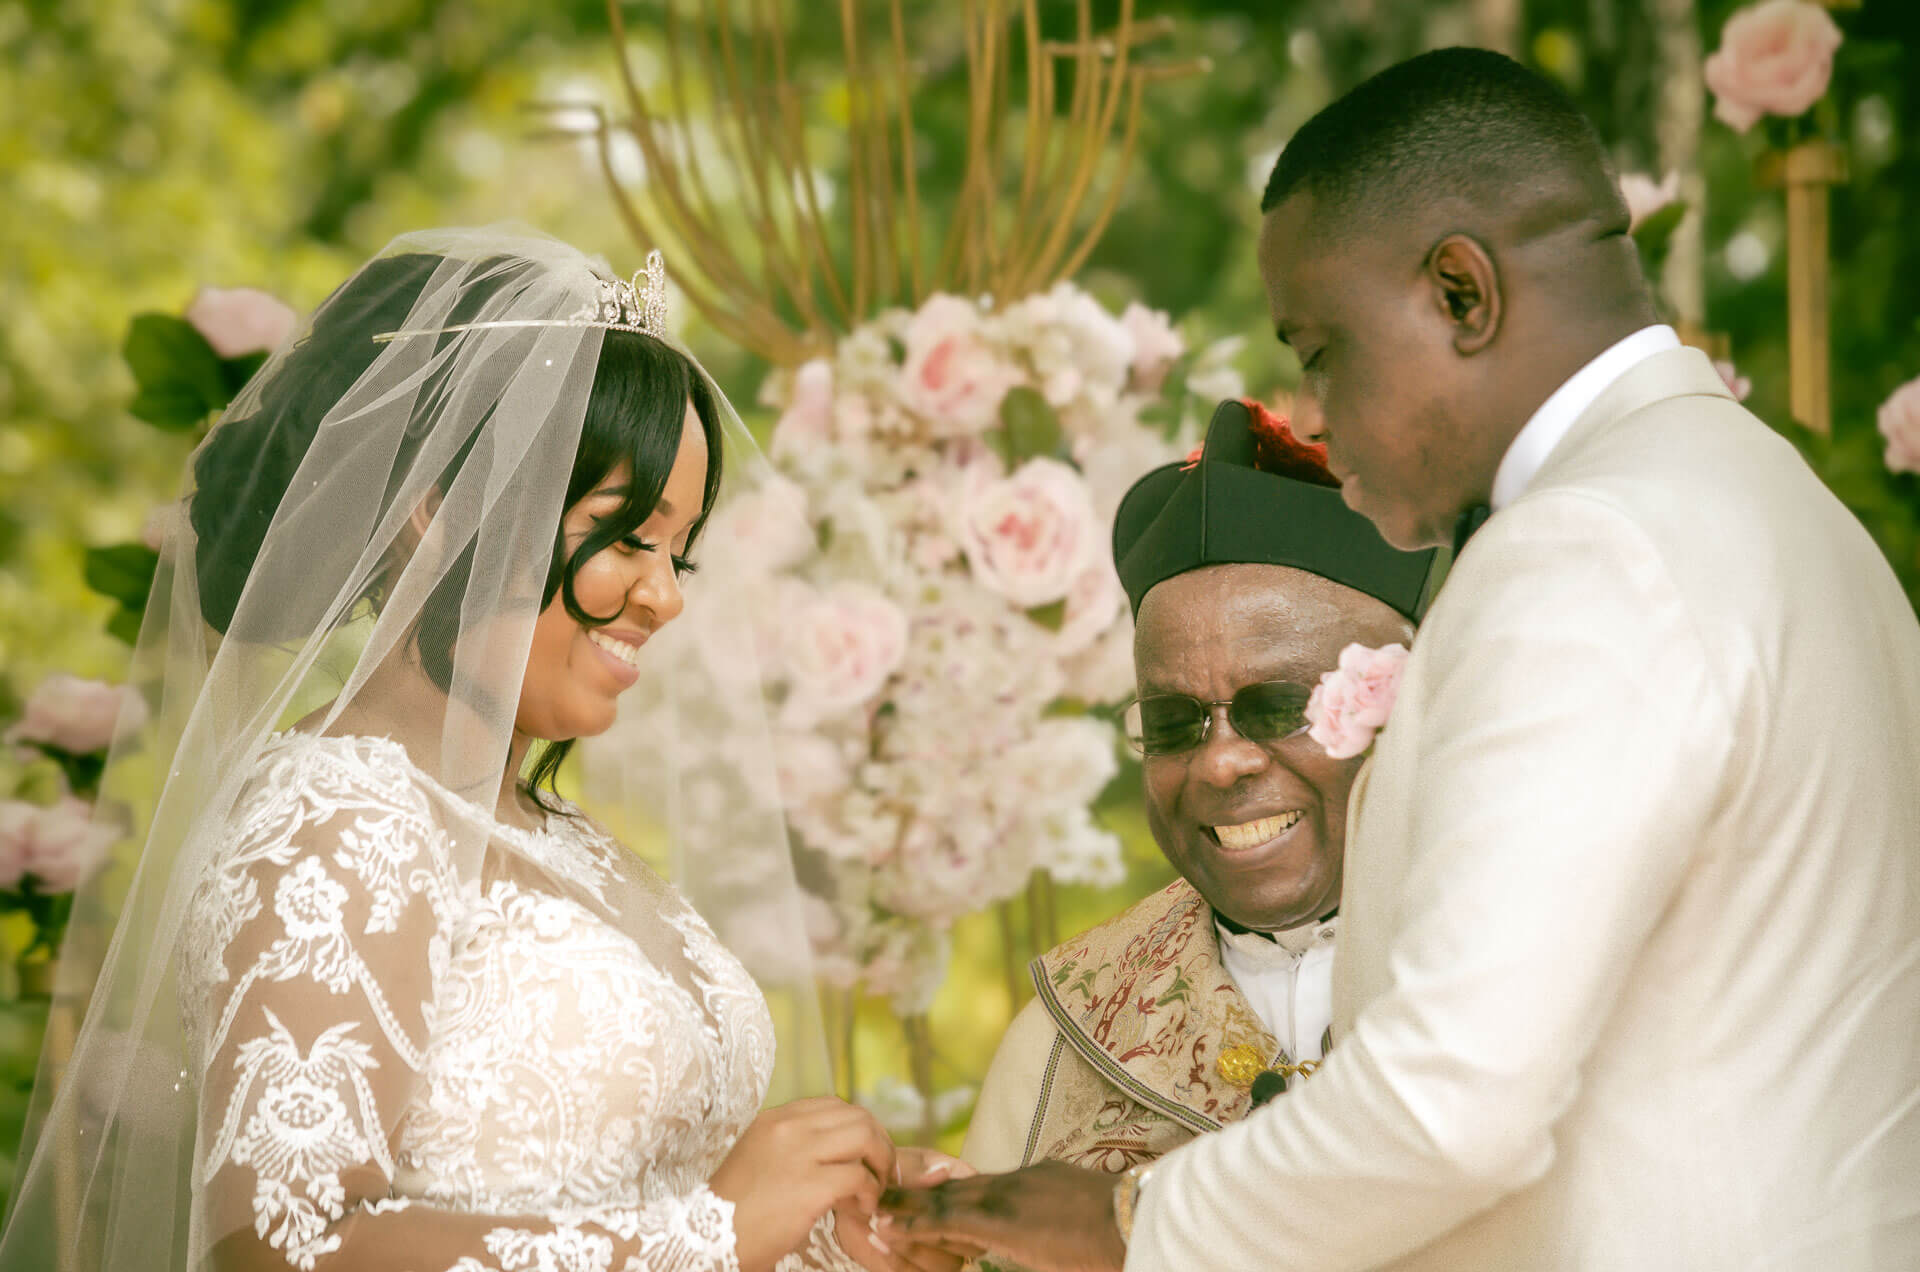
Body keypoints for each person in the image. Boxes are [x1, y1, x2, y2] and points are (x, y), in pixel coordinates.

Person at [880, 47, 1920, 1270]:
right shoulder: (1769, 503)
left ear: (1461, 295)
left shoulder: (1582, 548)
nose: (1311, 415)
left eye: (1320, 350)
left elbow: (1452, 1104)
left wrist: (1128, 1219)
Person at [0, 228, 960, 1272]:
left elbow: (654, 1205)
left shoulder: (573, 845)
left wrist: (825, 1236)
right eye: (626, 534)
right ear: (435, 514)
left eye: (679, 552)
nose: (667, 595)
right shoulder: (331, 823)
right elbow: (281, 1246)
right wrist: (712, 1235)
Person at [962, 400, 1435, 1176]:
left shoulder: (1518, 957)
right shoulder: (1066, 1032)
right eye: (1174, 721)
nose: (1220, 762)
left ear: (1403, 699)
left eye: (1279, 706)